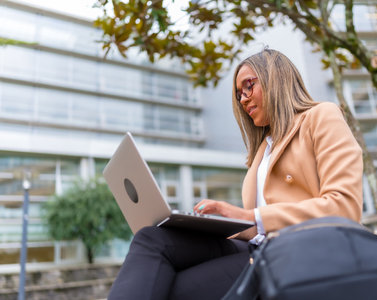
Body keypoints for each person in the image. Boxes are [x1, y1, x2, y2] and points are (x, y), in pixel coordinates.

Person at [108, 49, 363, 300]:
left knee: (173, 289)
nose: (242, 99)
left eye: (248, 86)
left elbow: (344, 207)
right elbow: (256, 229)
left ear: (276, 79)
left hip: (301, 254)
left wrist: (249, 216)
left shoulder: (321, 116)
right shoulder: (263, 150)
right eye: (239, 93)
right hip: (257, 248)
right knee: (153, 238)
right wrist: (210, 225)